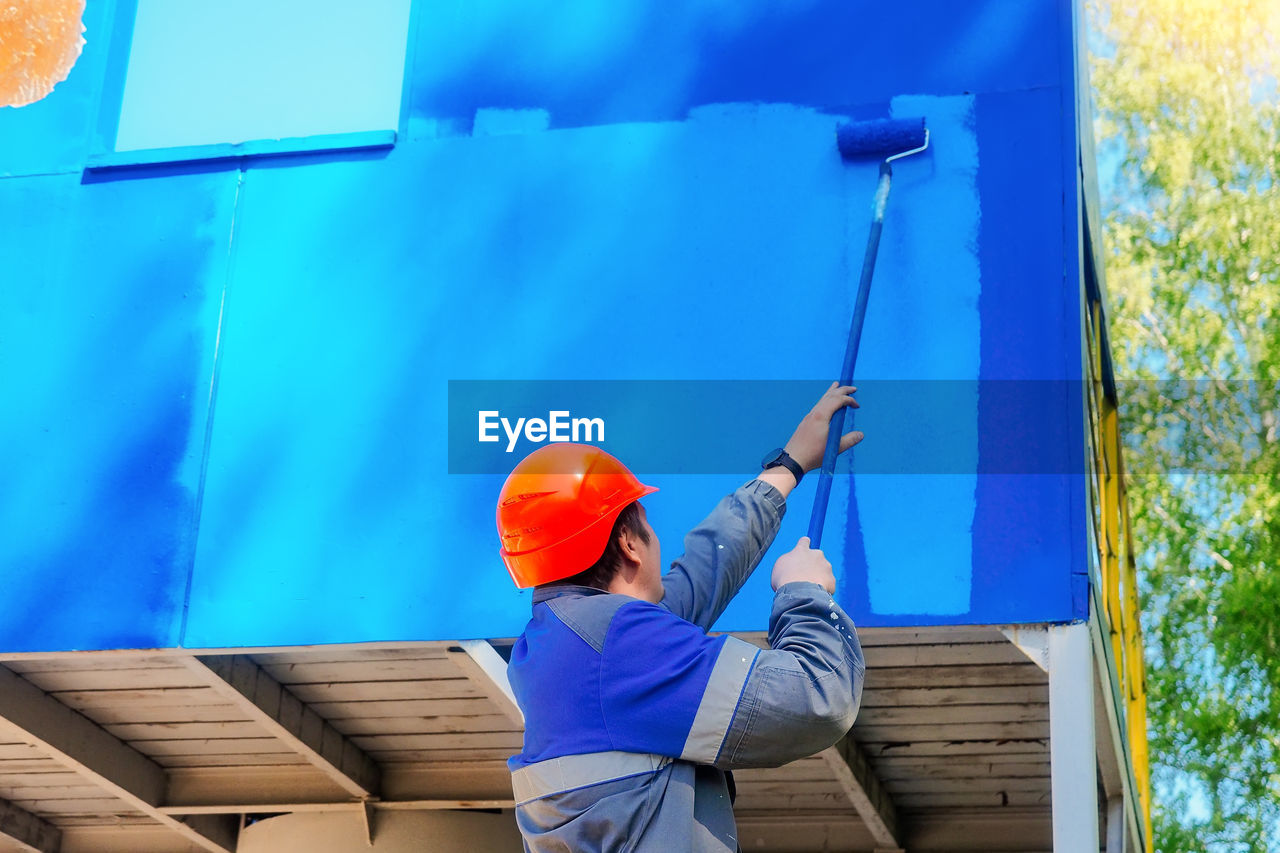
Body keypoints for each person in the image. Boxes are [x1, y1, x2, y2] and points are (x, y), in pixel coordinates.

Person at [495, 384, 867, 852]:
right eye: (646, 523)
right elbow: (818, 696)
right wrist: (804, 592)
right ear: (630, 543)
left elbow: (697, 577)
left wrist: (787, 468)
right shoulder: (619, 646)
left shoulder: (563, 645)